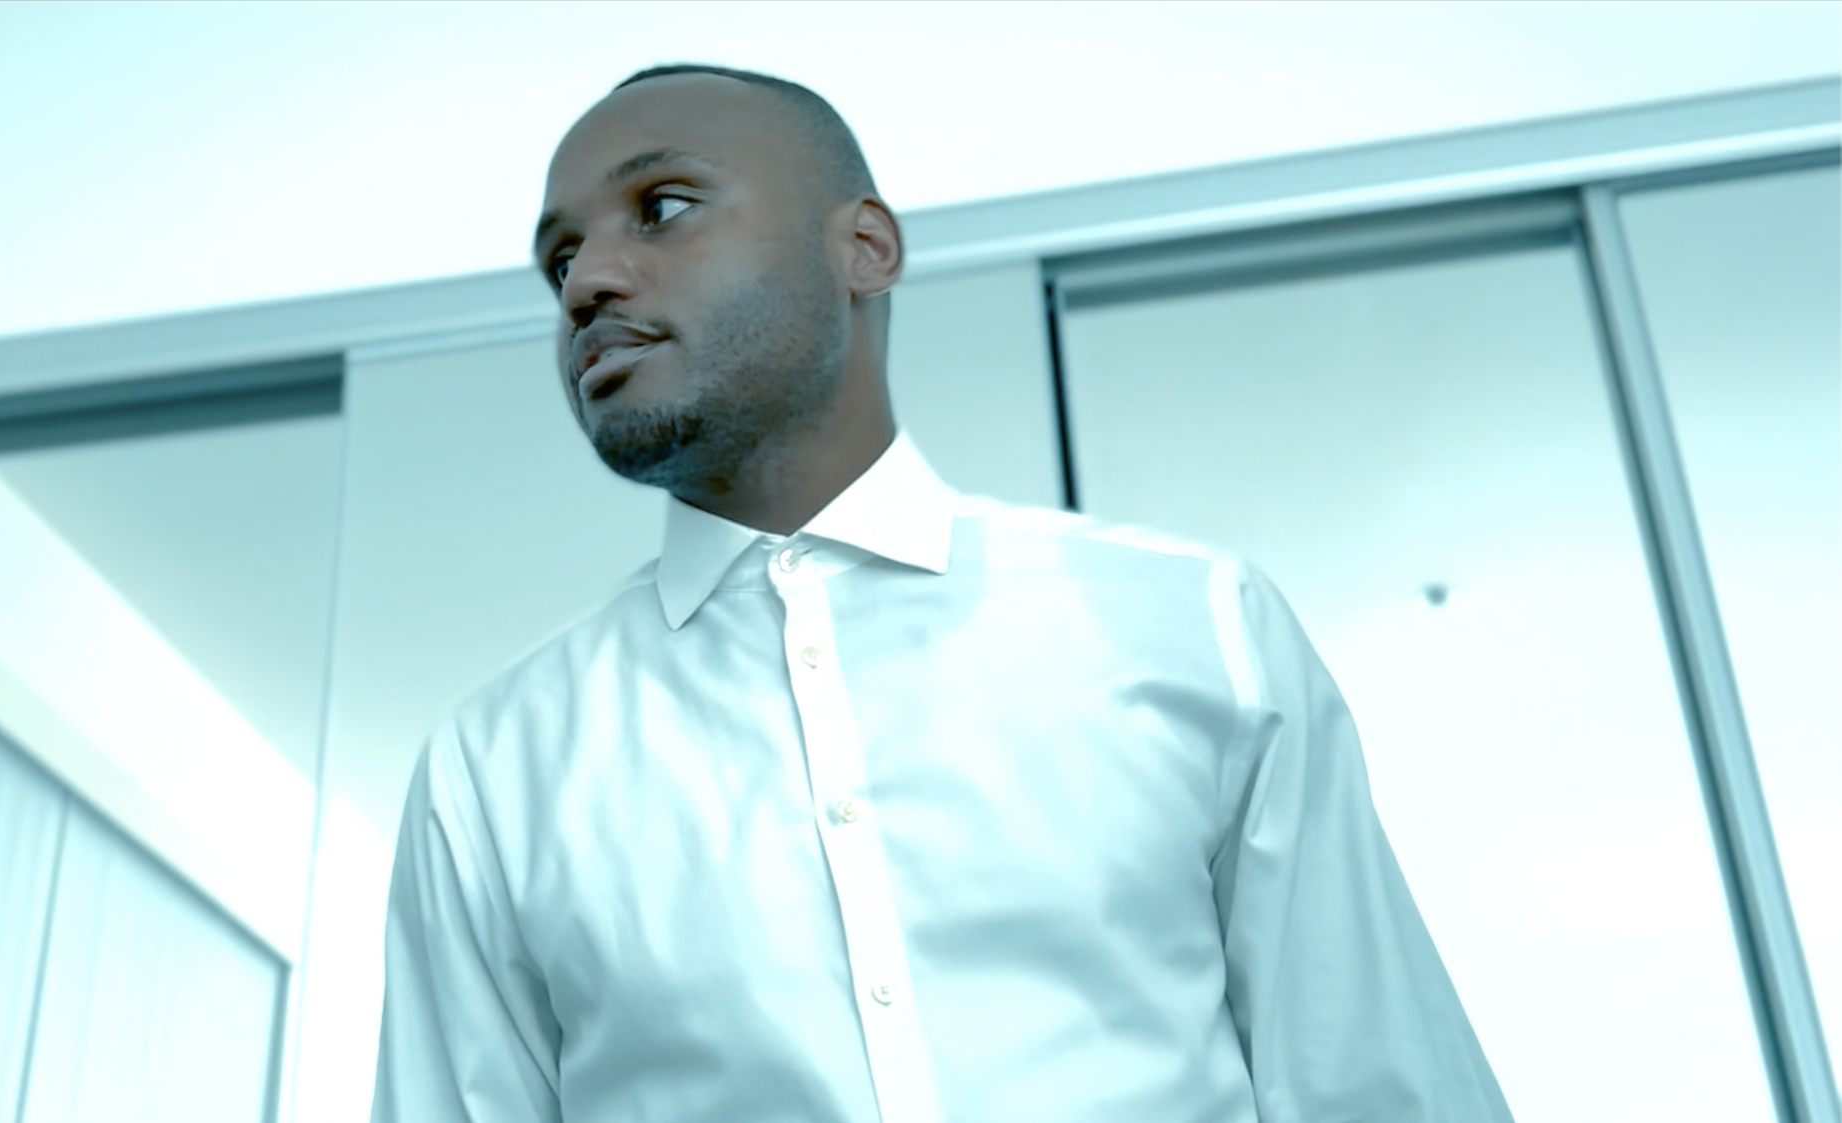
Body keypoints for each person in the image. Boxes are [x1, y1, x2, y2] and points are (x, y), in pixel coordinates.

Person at [371, 64, 1511, 1123]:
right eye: (559, 261)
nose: (586, 285)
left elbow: (1381, 1089)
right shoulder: (493, 766)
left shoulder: (1198, 626)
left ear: (864, 249)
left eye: (661, 208)